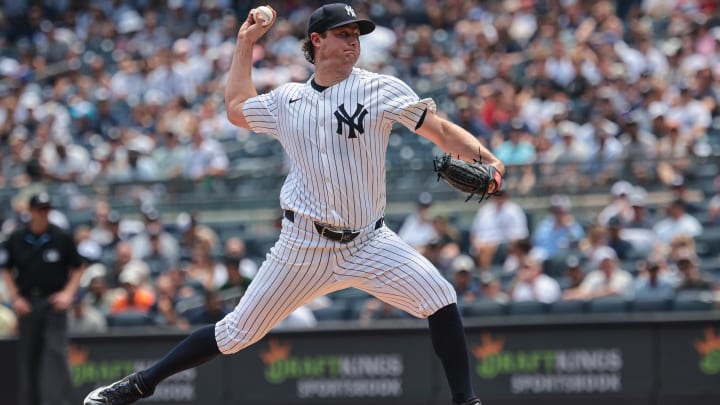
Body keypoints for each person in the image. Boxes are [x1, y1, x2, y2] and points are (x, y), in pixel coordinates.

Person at [83, 4, 504, 405]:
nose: (353, 42)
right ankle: (139, 385)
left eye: (357, 34)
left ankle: (465, 400)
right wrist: (245, 41)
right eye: (343, 34)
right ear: (316, 40)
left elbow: (442, 131)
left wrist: (487, 159)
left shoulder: (380, 88)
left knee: (441, 296)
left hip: (370, 242)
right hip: (303, 245)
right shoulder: (287, 101)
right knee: (235, 335)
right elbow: (235, 109)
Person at [1, 192, 84, 405]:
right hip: (28, 304)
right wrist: (16, 297)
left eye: (47, 209)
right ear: (30, 212)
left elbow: (77, 267)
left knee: (57, 356)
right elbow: (6, 269)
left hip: (53, 304)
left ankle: (64, 403)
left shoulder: (61, 237)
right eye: (39, 210)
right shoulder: (17, 238)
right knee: (29, 359)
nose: (43, 214)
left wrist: (67, 293)